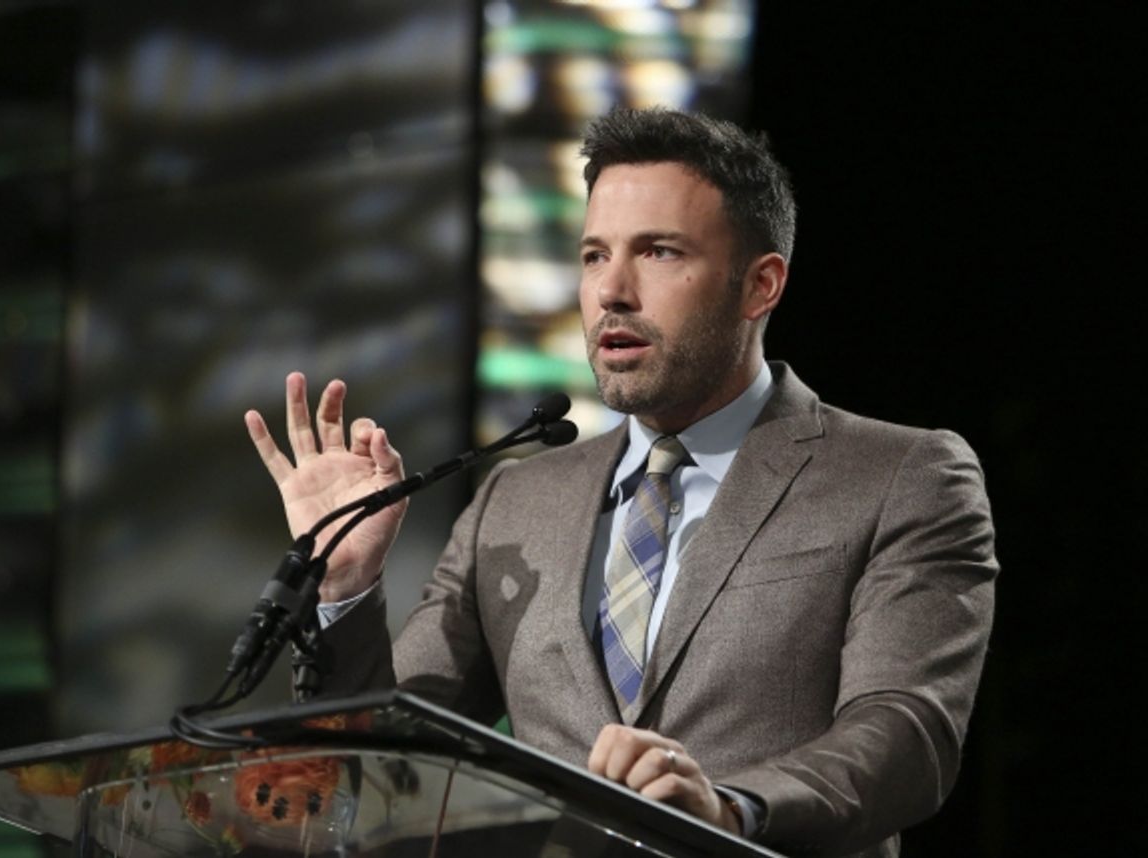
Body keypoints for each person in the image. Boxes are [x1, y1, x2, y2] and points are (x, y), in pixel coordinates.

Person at [244, 107, 997, 858]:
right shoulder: (516, 502)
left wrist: (732, 811)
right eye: (594, 256)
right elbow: (382, 773)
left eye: (659, 252)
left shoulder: (900, 476)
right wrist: (344, 587)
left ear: (760, 285)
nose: (613, 292)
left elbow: (906, 734)